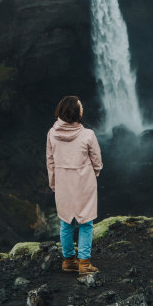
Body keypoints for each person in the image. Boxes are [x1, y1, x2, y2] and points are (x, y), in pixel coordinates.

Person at [46, 95, 103, 274]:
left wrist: (53, 183)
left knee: (66, 223)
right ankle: (84, 263)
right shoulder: (88, 134)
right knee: (86, 223)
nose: (82, 109)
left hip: (63, 184)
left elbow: (50, 162)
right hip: (84, 183)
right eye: (80, 107)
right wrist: (94, 173)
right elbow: (97, 160)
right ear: (76, 112)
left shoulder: (51, 134)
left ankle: (68, 260)